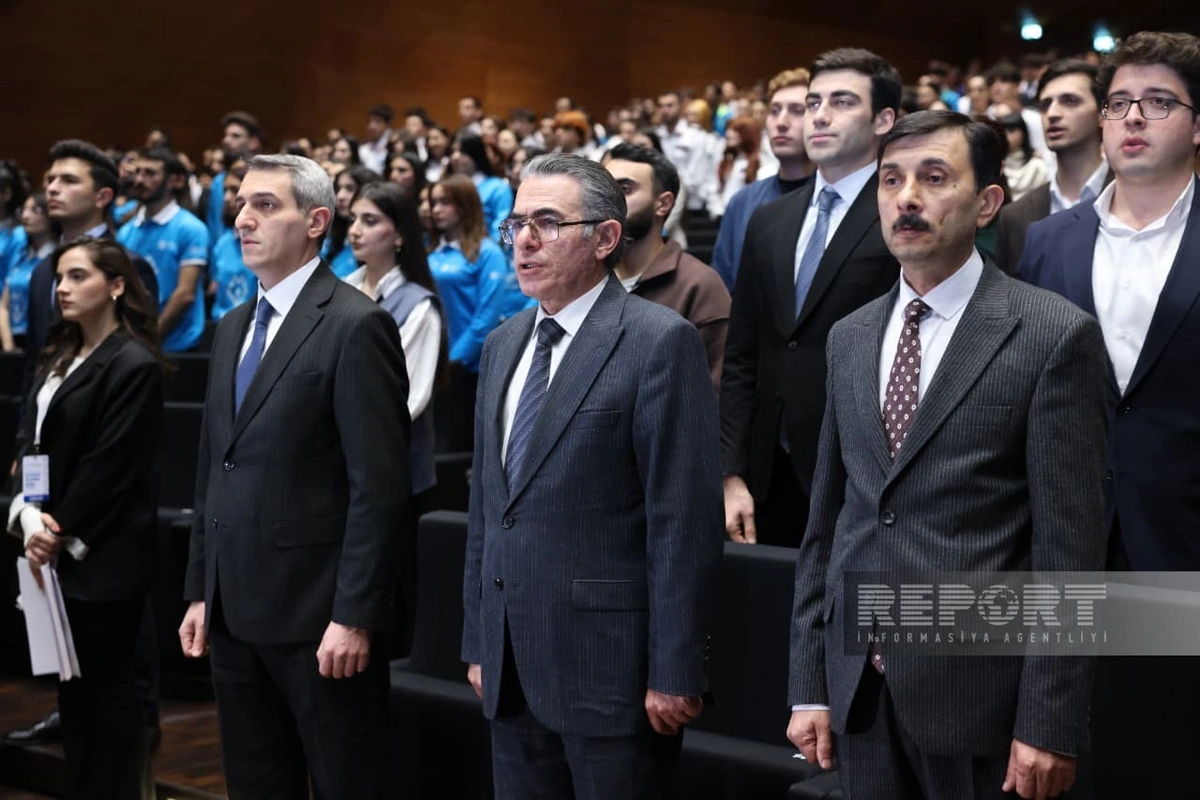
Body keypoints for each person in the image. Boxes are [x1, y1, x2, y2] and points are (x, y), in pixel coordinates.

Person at [787, 110, 1110, 800]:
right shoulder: (850, 336)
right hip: (859, 692)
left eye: (934, 178)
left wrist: (1048, 721)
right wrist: (809, 683)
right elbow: (829, 524)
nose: (907, 198)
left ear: (987, 202)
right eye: (891, 180)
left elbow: (1070, 554)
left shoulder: (1052, 335)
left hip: (982, 702)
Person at [462, 153, 723, 798]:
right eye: (516, 223)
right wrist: (480, 641)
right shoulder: (502, 343)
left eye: (547, 223)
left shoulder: (659, 340)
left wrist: (675, 669)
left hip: (613, 670)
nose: (524, 240)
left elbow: (682, 522)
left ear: (606, 237)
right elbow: (489, 509)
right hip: (510, 665)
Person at [178, 154, 410, 798]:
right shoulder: (231, 326)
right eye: (241, 205)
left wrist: (355, 615)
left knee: (346, 784)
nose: (243, 219)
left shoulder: (356, 323)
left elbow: (378, 490)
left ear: (316, 222)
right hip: (232, 609)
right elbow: (213, 468)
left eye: (265, 205)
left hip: (318, 619)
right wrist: (200, 589)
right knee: (255, 784)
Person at [1014, 31, 1200, 799]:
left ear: (1197, 124)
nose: (1133, 118)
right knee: (1071, 751)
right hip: (1063, 537)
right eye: (1120, 102)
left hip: (1182, 537)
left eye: (1158, 103)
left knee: (1171, 753)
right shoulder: (1045, 242)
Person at [720, 48, 902, 548]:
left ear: (883, 120)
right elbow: (742, 354)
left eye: (842, 102)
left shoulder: (901, 215)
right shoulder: (770, 219)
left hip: (864, 471)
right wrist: (731, 471)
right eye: (814, 102)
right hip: (768, 471)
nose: (819, 115)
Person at [9, 236, 165, 799]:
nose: (62, 288)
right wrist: (29, 516)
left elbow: (111, 466)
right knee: (74, 701)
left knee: (111, 705)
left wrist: (56, 529)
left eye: (78, 276)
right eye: (60, 277)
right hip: (52, 549)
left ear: (116, 285)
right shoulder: (59, 352)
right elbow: (31, 445)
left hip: (103, 556)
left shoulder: (133, 362)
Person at [604, 143, 730, 392]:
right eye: (604, 189)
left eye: (625, 189)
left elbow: (714, 391)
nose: (609, 201)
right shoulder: (586, 277)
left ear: (663, 203)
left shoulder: (699, 285)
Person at [994, 59, 1109, 272]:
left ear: (1102, 113)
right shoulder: (1014, 217)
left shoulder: (1134, 198)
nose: (1052, 114)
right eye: (1046, 105)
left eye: (1070, 101)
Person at [712, 67, 816, 292]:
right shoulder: (742, 202)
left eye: (797, 111)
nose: (781, 122)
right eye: (774, 111)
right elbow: (723, 286)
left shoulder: (834, 200)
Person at [116, 148, 209, 352]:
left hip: (178, 345)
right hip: (134, 342)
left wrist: (151, 338)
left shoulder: (191, 228)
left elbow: (185, 294)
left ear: (174, 180)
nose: (139, 180)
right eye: (137, 172)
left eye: (149, 173)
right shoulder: (126, 232)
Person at [1, 193, 54, 352]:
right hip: (13, 341)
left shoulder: (56, 258)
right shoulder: (21, 256)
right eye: (23, 210)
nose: (25, 216)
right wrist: (9, 346)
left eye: (35, 210)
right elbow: (4, 305)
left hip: (45, 343)